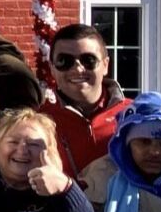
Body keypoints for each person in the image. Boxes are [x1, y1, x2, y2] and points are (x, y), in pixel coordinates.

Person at [41, 23, 131, 178]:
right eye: (64, 61)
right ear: (52, 69)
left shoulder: (135, 115)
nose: (77, 69)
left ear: (105, 65)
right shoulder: (39, 121)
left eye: (88, 60)